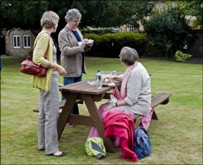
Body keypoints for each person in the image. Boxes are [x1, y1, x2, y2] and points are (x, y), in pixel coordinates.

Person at [88, 46, 152, 138]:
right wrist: (116, 77)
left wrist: (114, 105)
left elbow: (131, 100)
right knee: (102, 108)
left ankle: (103, 139)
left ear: (123, 59)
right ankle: (101, 137)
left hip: (139, 106)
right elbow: (126, 75)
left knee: (107, 113)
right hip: (135, 103)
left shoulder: (136, 73)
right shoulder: (135, 66)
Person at [32, 11, 67, 157]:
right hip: (47, 80)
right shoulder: (45, 37)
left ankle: (42, 144)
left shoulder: (43, 36)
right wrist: (57, 67)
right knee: (52, 114)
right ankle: (52, 148)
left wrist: (55, 78)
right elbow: (37, 59)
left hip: (47, 79)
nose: (58, 24)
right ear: (53, 23)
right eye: (57, 22)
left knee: (44, 113)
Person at [58, 8, 93, 125]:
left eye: (78, 20)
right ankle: (63, 120)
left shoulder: (77, 31)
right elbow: (65, 50)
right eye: (74, 20)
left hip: (79, 67)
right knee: (67, 95)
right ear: (68, 19)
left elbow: (80, 46)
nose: (77, 23)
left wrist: (87, 45)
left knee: (76, 95)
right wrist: (81, 47)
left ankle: (74, 118)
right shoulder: (63, 33)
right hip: (70, 69)